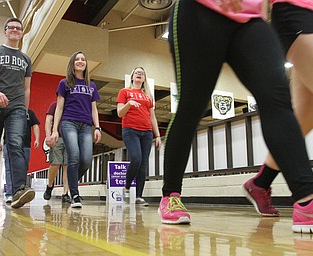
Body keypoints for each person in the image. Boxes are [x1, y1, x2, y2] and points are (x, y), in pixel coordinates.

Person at [158, 0, 313, 234]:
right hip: (200, 10)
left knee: (276, 99)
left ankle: (305, 198)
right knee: (192, 107)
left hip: (250, 18)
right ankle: (170, 194)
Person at [243, 0, 313, 220]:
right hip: (297, 12)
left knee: (302, 119)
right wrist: (259, 31)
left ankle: (261, 183)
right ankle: (306, 200)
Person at [49, 51, 101, 208]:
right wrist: (55, 130)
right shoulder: (64, 83)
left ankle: (71, 183)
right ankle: (75, 194)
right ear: (72, 64)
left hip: (86, 125)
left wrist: (97, 127)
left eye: (83, 59)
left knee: (86, 160)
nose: (80, 61)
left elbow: (94, 109)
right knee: (74, 156)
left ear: (86, 64)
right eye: (77, 59)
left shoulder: (91, 86)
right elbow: (59, 107)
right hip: (68, 123)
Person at [0, 17, 35, 208]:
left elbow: (27, 89)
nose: (15, 30)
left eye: (18, 28)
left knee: (15, 145)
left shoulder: (26, 59)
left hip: (17, 108)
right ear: (5, 30)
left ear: (21, 33)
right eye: (12, 27)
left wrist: (25, 112)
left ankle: (19, 190)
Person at [116, 67, 162, 206]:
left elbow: (152, 116)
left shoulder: (148, 96)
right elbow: (119, 113)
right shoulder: (124, 92)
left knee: (143, 164)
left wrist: (158, 135)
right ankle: (126, 187)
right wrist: (129, 104)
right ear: (132, 77)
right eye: (137, 72)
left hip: (147, 132)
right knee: (136, 158)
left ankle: (139, 196)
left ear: (144, 79)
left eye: (142, 73)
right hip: (130, 130)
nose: (139, 74)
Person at [4, 109, 40, 204]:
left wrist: (37, 139)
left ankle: (21, 191)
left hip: (26, 144)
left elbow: (35, 126)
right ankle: (9, 194)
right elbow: (1, 126)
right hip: (8, 143)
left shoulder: (30, 113)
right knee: (9, 169)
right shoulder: (8, 110)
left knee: (23, 168)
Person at [43, 101, 70, 204]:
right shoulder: (54, 105)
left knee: (67, 165)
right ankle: (50, 185)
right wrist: (48, 135)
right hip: (57, 137)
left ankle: (65, 193)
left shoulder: (72, 105)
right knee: (55, 163)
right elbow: (48, 120)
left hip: (69, 138)